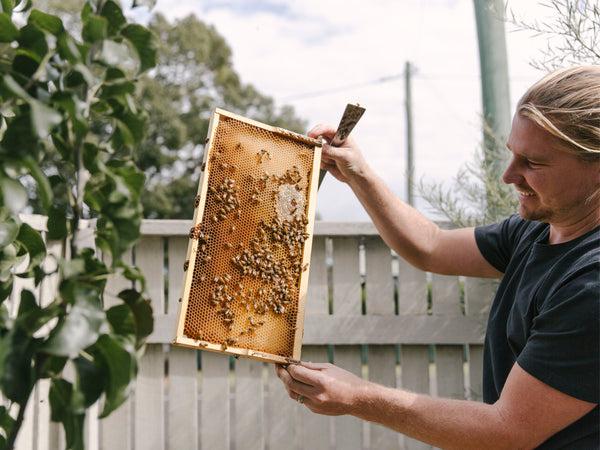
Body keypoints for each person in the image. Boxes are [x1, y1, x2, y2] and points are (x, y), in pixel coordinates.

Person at [275, 65, 599, 449]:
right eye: (513, 154)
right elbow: (430, 246)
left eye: (534, 163)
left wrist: (359, 397)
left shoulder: (590, 287)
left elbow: (509, 429)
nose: (509, 175)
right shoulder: (536, 231)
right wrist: (359, 173)